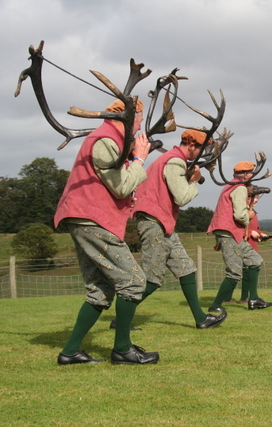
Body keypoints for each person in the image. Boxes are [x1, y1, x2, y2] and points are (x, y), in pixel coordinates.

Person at [55, 98, 159, 365]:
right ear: (128, 116)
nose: (140, 124)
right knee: (134, 281)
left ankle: (70, 352)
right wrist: (139, 159)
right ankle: (123, 349)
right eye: (139, 117)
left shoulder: (110, 139)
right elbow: (121, 186)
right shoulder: (105, 141)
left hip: (86, 217)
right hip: (91, 219)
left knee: (101, 290)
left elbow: (117, 187)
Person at [130, 129, 227, 329]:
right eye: (203, 149)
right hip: (154, 222)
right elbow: (181, 197)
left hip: (162, 222)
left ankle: (201, 319)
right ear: (192, 145)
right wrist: (192, 182)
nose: (204, 153)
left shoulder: (170, 159)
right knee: (152, 278)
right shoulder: (174, 161)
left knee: (186, 269)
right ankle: (122, 318)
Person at [207, 162, 272, 311]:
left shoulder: (230, 185)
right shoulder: (240, 189)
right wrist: (249, 215)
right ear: (245, 175)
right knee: (234, 273)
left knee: (255, 260)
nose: (252, 177)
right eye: (251, 174)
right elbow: (240, 216)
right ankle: (215, 305)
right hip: (230, 233)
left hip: (230, 233)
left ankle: (253, 299)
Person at [224, 184, 272, 304]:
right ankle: (225, 298)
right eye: (252, 197)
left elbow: (254, 228)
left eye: (257, 197)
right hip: (239, 246)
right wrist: (251, 233)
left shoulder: (252, 212)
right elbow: (235, 229)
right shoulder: (240, 212)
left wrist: (260, 234)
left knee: (247, 272)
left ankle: (245, 298)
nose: (255, 200)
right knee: (234, 273)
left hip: (252, 246)